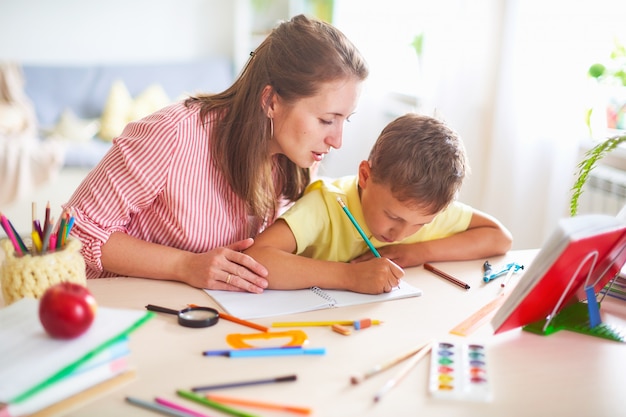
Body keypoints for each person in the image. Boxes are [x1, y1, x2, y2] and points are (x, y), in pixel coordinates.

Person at [63, 15, 369, 292]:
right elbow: (73, 231)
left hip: (204, 313)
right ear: (271, 101)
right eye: (326, 120)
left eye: (346, 119)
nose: (337, 140)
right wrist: (185, 266)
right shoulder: (174, 134)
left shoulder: (298, 159)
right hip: (117, 307)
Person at [244, 113, 513, 294]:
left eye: (420, 224)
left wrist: (418, 252)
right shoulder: (326, 204)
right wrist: (350, 277)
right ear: (365, 176)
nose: (401, 234)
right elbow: (257, 257)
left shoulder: (422, 207)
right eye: (393, 217)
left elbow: (499, 238)